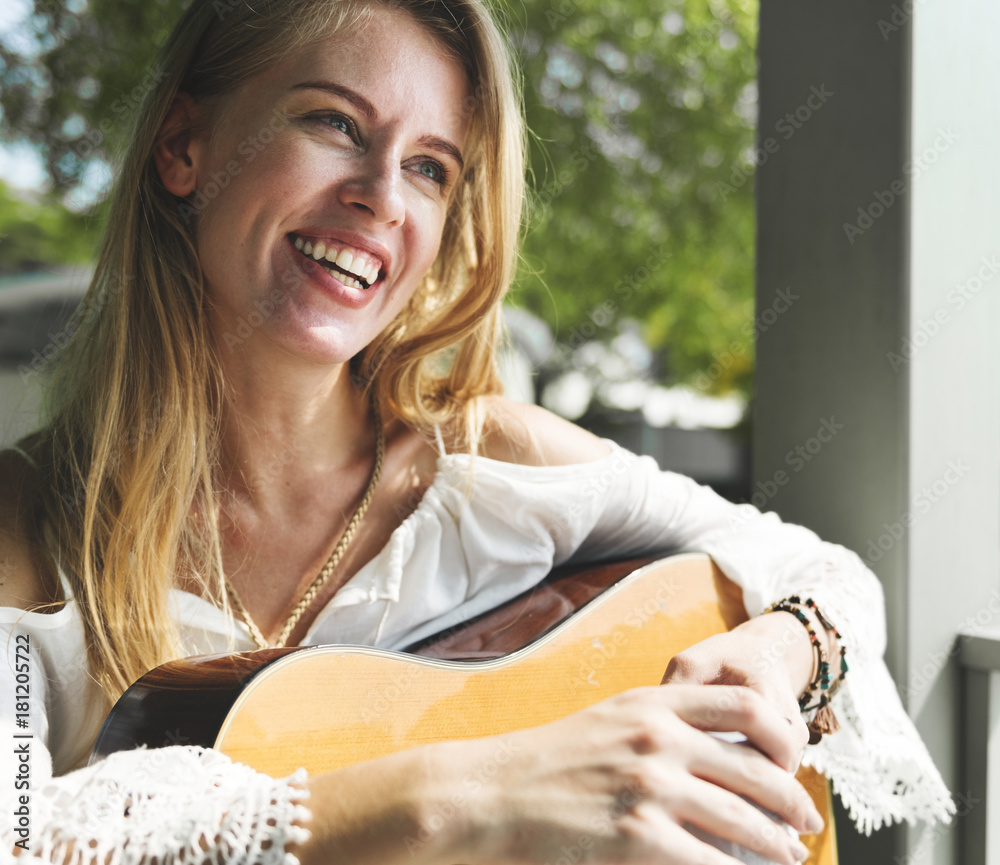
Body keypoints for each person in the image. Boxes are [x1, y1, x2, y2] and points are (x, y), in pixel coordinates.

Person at [0, 0, 952, 863]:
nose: (380, 194)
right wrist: (467, 793)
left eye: (429, 168)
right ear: (182, 146)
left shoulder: (493, 467)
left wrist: (781, 650)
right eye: (334, 122)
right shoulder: (23, 528)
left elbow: (822, 573)